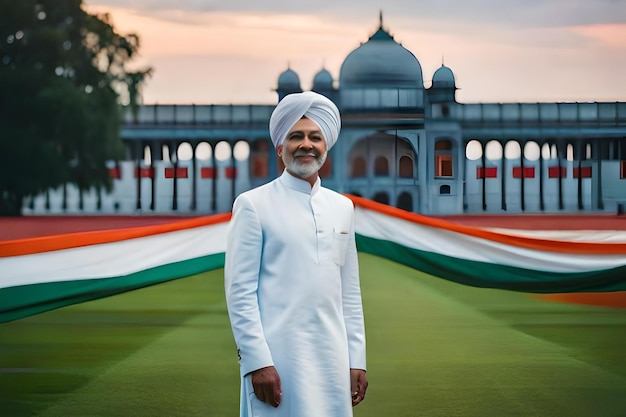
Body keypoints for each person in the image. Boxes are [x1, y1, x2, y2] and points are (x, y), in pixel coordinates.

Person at [224, 91, 368, 417]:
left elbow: (350, 293)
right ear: (280, 147)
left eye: (315, 137)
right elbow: (240, 292)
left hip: (332, 359)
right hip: (278, 361)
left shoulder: (342, 207)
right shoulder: (253, 205)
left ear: (326, 147)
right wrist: (257, 361)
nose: (306, 144)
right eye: (296, 137)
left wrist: (356, 359)